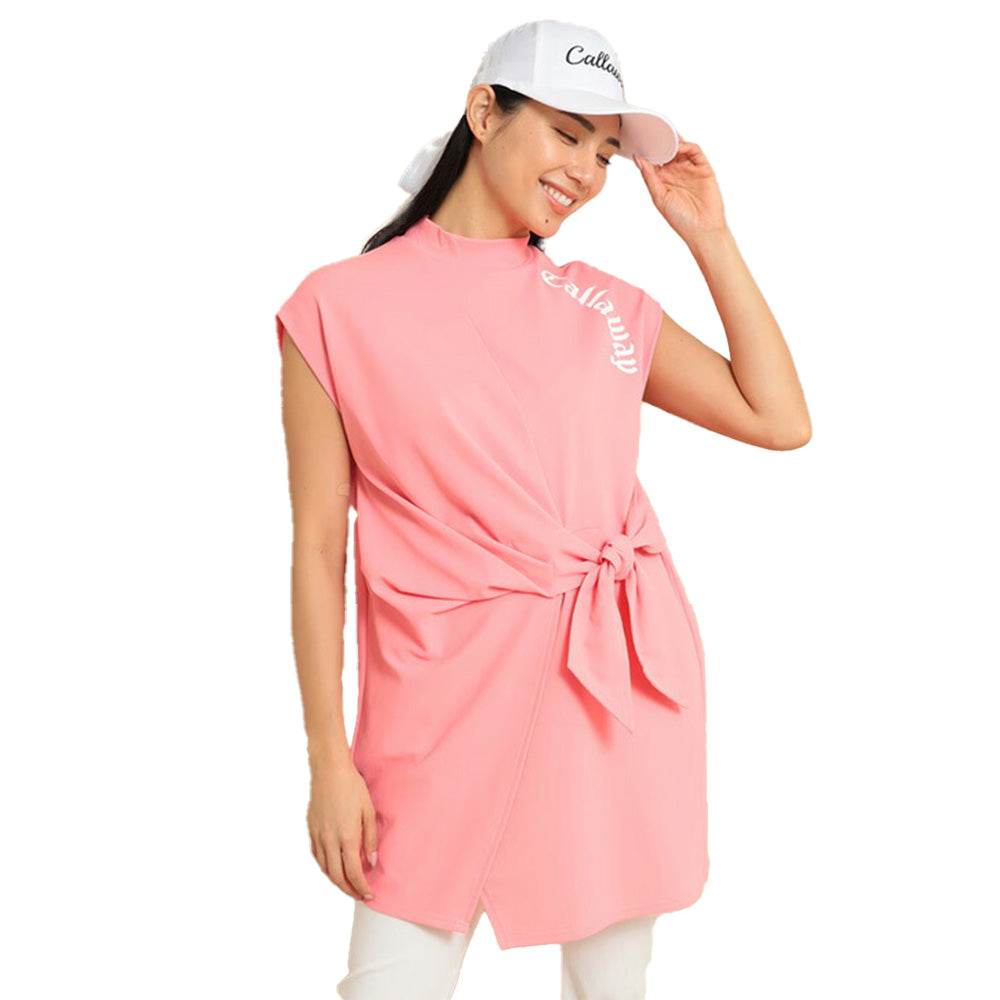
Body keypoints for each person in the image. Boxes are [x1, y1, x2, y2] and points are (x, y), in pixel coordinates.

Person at [275, 18, 811, 1000]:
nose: (585, 172)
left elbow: (779, 418)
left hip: (609, 697)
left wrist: (707, 234)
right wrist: (327, 760)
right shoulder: (336, 307)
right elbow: (317, 548)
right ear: (484, 113)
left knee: (610, 988)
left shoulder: (603, 308)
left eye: (603, 152)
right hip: (435, 718)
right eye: (566, 133)